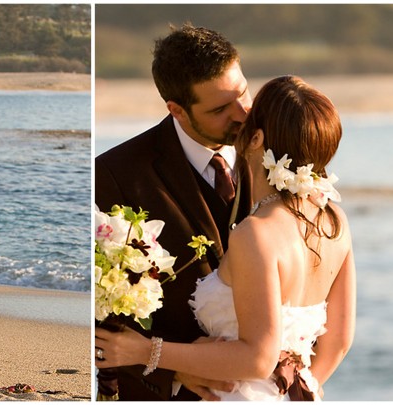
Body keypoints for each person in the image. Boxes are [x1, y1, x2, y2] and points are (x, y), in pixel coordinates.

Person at [95, 75, 356, 401]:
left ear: (257, 138)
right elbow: (340, 340)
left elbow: (258, 359)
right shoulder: (334, 220)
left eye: (250, 110)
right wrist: (285, 392)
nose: (240, 118)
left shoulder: (257, 234)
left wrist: (147, 351)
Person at [95, 25, 252, 400]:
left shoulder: (281, 150)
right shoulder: (113, 175)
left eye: (243, 93)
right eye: (220, 109)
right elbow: (96, 315)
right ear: (176, 110)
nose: (243, 114)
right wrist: (172, 368)